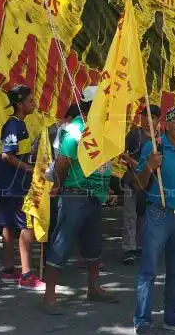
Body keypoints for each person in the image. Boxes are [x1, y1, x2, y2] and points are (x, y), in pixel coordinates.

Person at [42, 86, 119, 315]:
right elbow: (63, 162)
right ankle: (49, 297)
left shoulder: (103, 130)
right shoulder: (74, 129)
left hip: (96, 196)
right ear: (89, 107)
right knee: (61, 243)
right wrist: (58, 186)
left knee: (93, 244)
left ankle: (94, 288)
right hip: (75, 195)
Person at [132, 106, 175, 335]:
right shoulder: (154, 147)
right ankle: (142, 320)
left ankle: (172, 316)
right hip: (158, 214)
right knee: (149, 270)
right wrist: (149, 166)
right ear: (167, 125)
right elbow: (139, 183)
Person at [0, 85, 42, 289]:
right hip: (14, 184)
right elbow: (6, 154)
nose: (34, 104)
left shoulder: (20, 124)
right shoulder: (14, 125)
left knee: (8, 225)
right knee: (25, 225)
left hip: (10, 184)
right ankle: (26, 274)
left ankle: (8, 270)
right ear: (20, 104)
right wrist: (30, 169)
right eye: (31, 101)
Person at [121, 105, 160, 265]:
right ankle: (129, 249)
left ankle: (140, 246)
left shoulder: (160, 138)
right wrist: (131, 161)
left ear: (158, 119)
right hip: (132, 180)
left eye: (151, 117)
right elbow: (122, 153)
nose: (146, 120)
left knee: (144, 216)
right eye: (144, 116)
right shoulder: (134, 134)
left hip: (150, 183)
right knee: (130, 215)